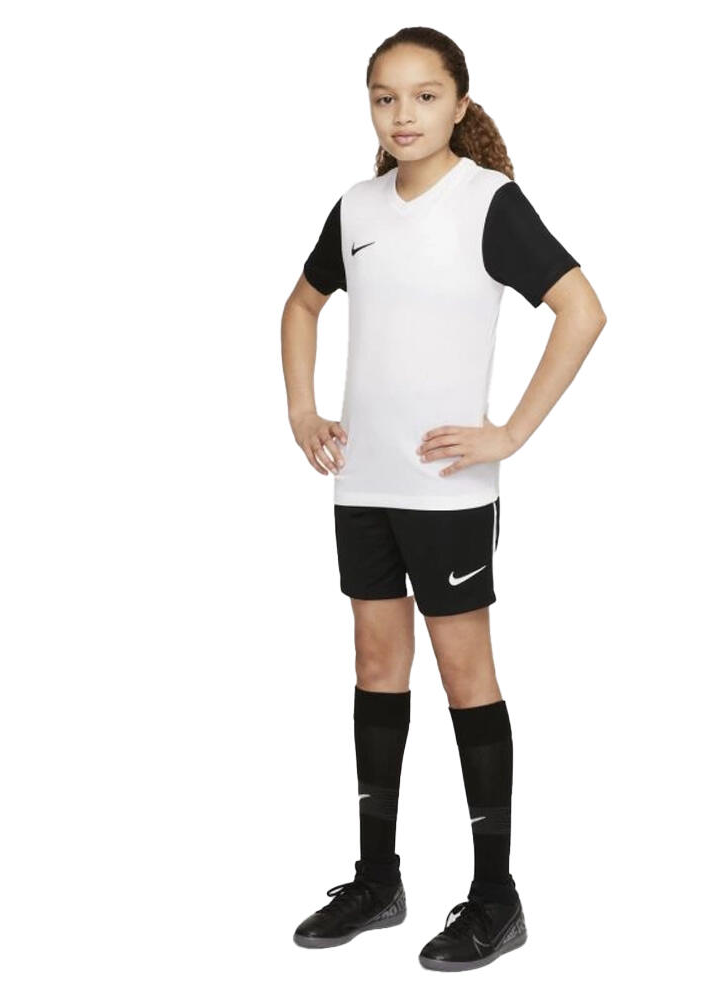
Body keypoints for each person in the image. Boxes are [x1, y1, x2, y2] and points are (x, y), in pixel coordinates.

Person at [282, 26, 606, 972]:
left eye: (425, 96)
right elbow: (301, 304)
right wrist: (303, 409)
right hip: (363, 482)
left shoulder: (488, 202)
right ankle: (377, 879)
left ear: (459, 104)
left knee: (467, 676)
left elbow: (582, 310)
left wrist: (510, 432)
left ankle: (496, 898)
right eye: (385, 97)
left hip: (447, 491)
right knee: (376, 665)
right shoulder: (357, 206)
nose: (404, 114)